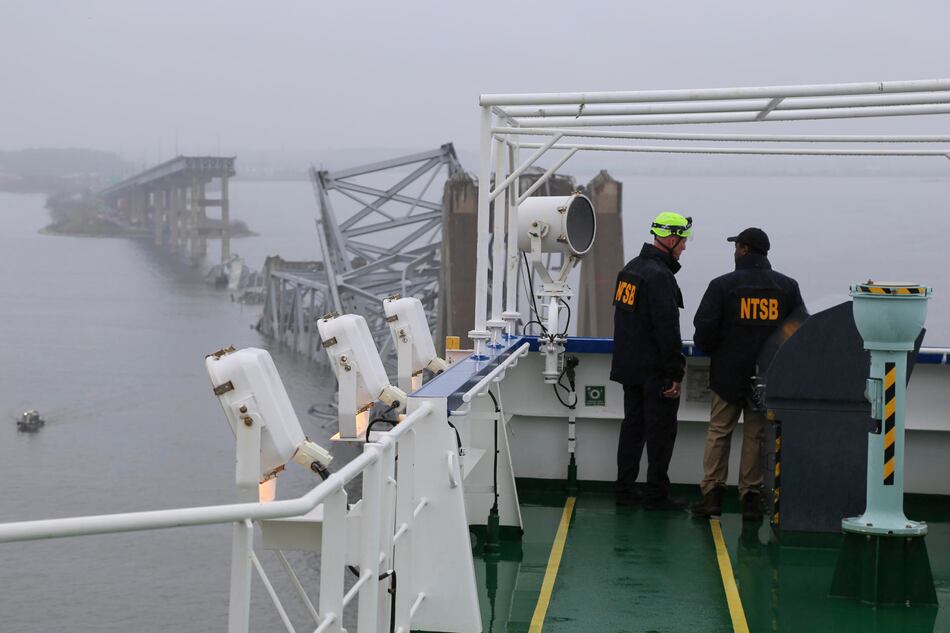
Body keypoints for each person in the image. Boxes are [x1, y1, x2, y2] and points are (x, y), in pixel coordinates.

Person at [690, 227, 804, 520]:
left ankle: (712, 496)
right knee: (756, 435)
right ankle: (751, 499)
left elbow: (703, 329)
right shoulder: (787, 287)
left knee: (719, 432)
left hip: (727, 373)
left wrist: (717, 350)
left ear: (742, 249)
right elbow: (799, 328)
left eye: (736, 247)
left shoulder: (722, 286)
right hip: (767, 376)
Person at [611, 212, 691, 510]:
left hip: (629, 367)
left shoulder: (631, 269)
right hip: (654, 372)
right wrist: (675, 373)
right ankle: (656, 496)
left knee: (632, 429)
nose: (684, 248)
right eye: (683, 241)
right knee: (660, 435)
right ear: (671, 239)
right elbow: (667, 329)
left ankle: (624, 491)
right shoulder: (660, 277)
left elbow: (623, 321)